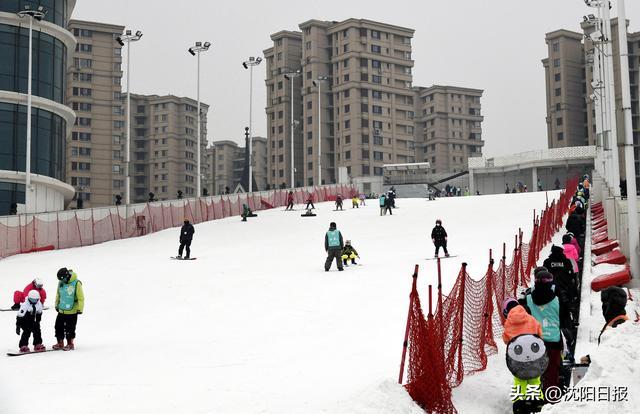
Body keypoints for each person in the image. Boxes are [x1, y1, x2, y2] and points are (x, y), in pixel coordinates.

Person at [519, 270, 562, 396]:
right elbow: (564, 318)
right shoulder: (557, 300)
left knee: (534, 372)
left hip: (534, 341)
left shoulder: (527, 299)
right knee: (552, 371)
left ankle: (534, 399)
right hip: (554, 341)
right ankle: (551, 398)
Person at [502, 298, 545, 413]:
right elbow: (540, 335)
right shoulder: (531, 319)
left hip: (517, 360)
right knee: (535, 379)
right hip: (534, 358)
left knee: (519, 381)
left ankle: (519, 404)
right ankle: (536, 403)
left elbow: (506, 340)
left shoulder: (508, 323)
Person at [543, 245, 578, 331]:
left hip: (551, 291)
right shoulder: (567, 261)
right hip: (566, 290)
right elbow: (572, 276)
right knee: (566, 309)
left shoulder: (547, 262)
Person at [53, 268, 85, 351]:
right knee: (58, 326)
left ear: (67, 276)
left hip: (72, 311)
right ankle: (60, 342)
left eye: (63, 279)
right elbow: (58, 294)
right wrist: (56, 305)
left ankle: (70, 343)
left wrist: (80, 308)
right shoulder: (61, 282)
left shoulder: (76, 283)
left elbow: (81, 297)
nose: (61, 281)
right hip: (62, 309)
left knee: (70, 328)